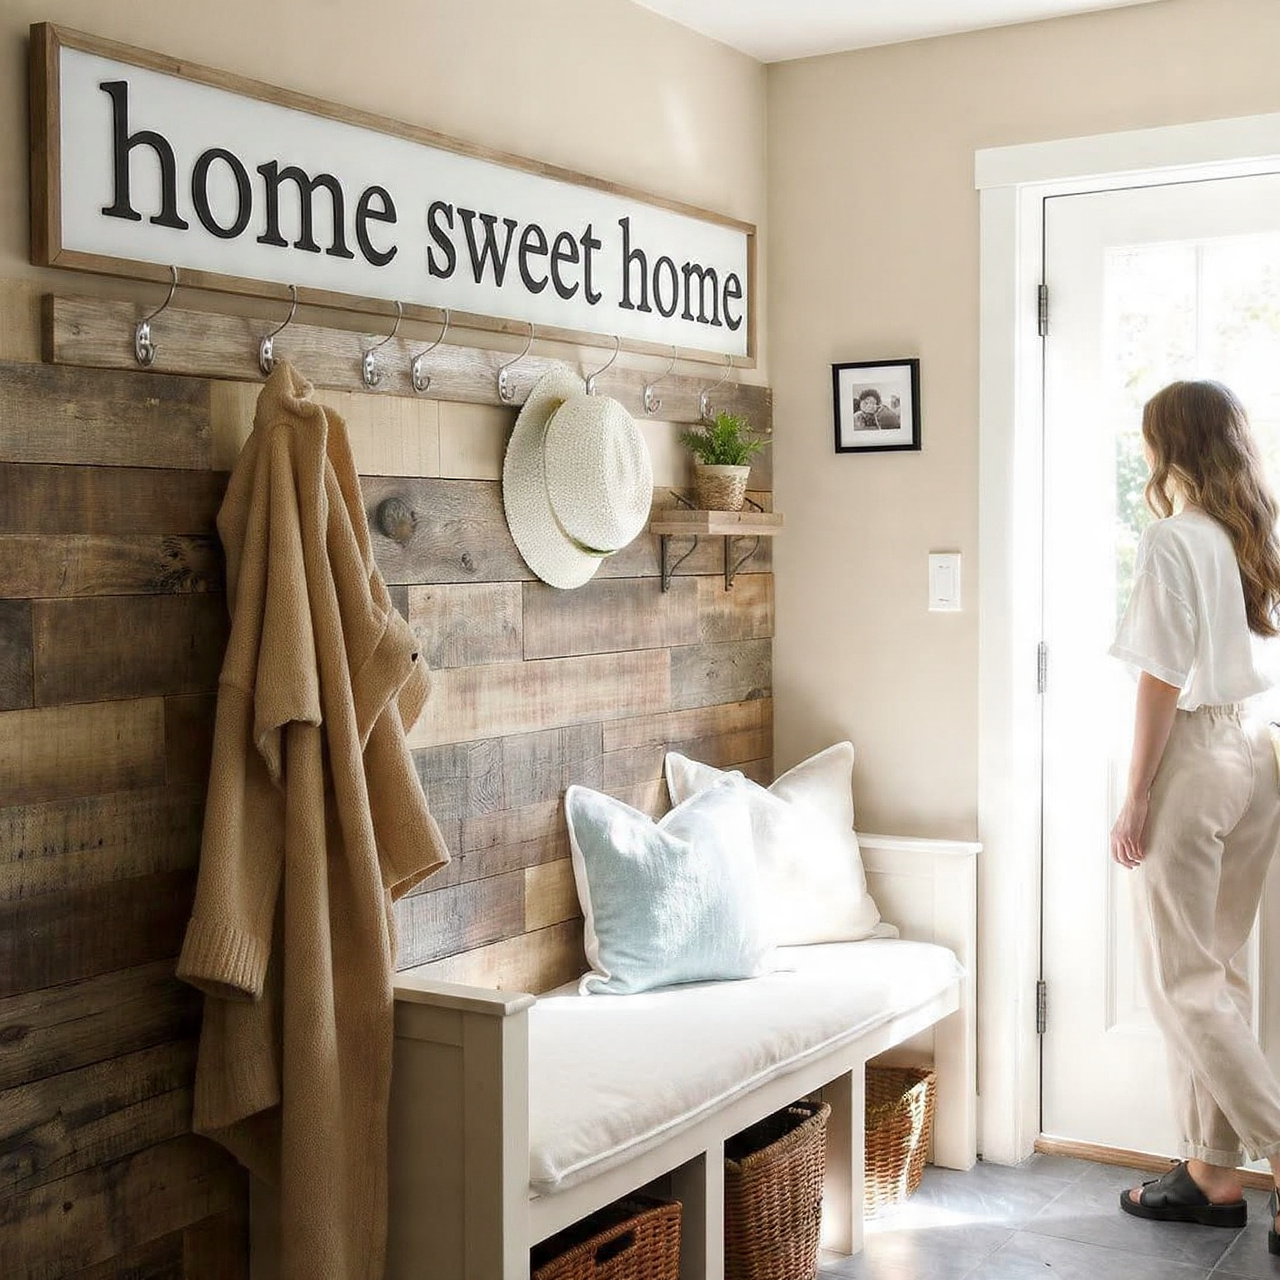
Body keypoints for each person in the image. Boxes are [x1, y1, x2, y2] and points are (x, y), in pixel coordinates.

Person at [1109, 379, 1280, 1254]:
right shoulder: (1253, 531)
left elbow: (1162, 677)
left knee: (1185, 982)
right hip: (1260, 754)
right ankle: (1214, 1172)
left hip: (1203, 755)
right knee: (1222, 973)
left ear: (1167, 446)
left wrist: (1136, 791)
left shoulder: (1174, 539)